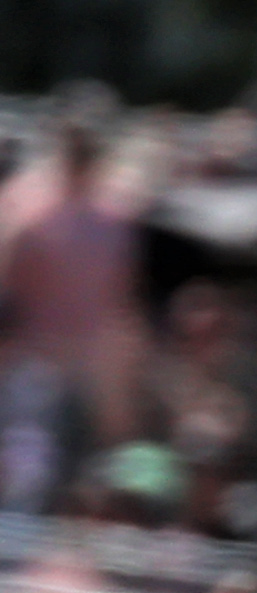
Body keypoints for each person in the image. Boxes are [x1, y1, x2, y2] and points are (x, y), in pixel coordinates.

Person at [0, 100, 146, 457]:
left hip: (92, 364)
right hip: (33, 362)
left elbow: (120, 302)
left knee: (95, 465)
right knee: (26, 465)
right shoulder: (26, 207)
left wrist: (119, 386)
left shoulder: (116, 217)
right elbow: (8, 294)